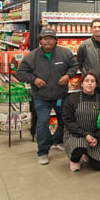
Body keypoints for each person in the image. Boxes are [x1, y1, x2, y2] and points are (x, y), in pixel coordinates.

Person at [16, 27, 79, 165]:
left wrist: (68, 75)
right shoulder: (32, 56)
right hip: (41, 96)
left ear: (56, 40)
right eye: (45, 38)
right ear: (40, 41)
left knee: (64, 120)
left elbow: (74, 66)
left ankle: (57, 140)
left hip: (60, 96)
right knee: (43, 122)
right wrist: (34, 80)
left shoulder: (65, 53)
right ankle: (43, 151)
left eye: (51, 38)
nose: (48, 41)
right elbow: (20, 73)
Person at [61, 72, 100, 172]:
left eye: (92, 81)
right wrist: (85, 135)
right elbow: (68, 120)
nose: (89, 83)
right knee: (79, 147)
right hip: (76, 134)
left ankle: (88, 153)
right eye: (87, 81)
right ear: (82, 84)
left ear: (96, 84)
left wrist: (98, 137)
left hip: (95, 135)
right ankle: (75, 159)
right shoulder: (72, 99)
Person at [76, 18, 100, 95]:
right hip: (89, 83)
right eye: (95, 27)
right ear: (91, 29)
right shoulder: (84, 45)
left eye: (99, 27)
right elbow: (79, 63)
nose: (97, 29)